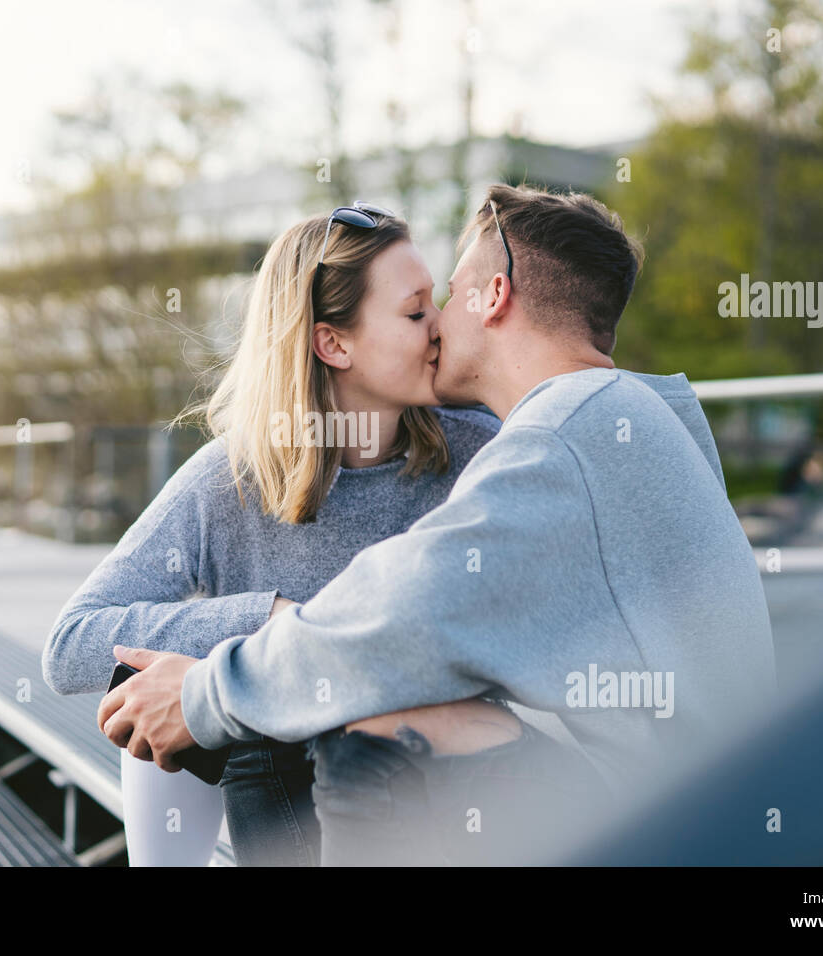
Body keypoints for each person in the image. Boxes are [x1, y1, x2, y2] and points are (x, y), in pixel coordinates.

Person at [98, 184, 778, 866]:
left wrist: (203, 694)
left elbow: (402, 622)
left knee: (371, 720)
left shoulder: (562, 438)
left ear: (495, 296)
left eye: (445, 298)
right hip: (694, 806)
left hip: (675, 830)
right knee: (345, 693)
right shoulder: (614, 420)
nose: (437, 326)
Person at [43, 204, 506, 866]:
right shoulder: (229, 479)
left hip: (436, 793)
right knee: (159, 686)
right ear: (333, 344)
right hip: (281, 792)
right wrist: (269, 618)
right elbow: (69, 647)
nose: (442, 328)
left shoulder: (482, 455)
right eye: (415, 312)